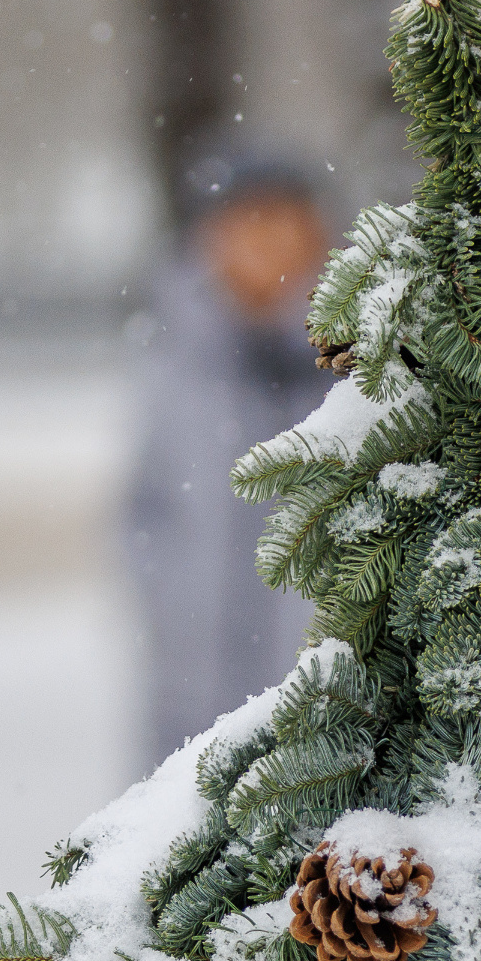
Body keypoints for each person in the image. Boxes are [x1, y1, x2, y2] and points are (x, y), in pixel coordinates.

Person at [121, 148, 339, 765]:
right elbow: (144, 508)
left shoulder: (369, 364)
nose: (262, 243)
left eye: (281, 221)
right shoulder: (177, 365)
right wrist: (168, 606)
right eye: (243, 223)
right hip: (189, 692)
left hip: (333, 703)